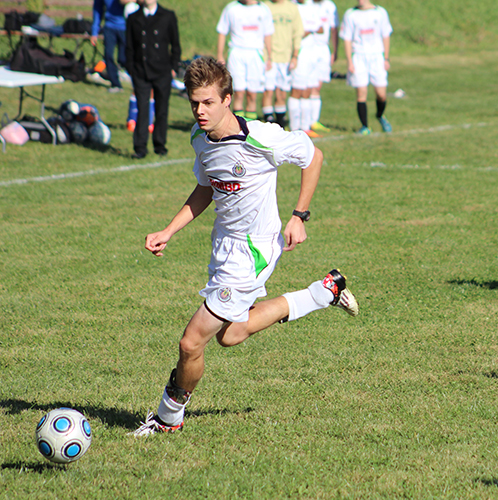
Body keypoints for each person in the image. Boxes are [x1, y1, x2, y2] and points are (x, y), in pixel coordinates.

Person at [132, 57, 358, 436]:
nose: (200, 111)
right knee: (231, 334)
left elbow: (313, 157)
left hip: (253, 251)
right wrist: (170, 230)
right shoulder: (199, 139)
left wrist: (299, 215)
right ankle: (323, 292)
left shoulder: (260, 138)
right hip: (223, 247)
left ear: (228, 100)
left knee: (191, 342)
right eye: (194, 103)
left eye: (207, 102)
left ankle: (168, 417)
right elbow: (207, 187)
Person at [125, 0, 181, 159]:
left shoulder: (167, 16)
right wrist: (131, 69)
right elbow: (129, 47)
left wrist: (173, 68)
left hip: (162, 71)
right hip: (141, 71)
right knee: (142, 109)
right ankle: (140, 147)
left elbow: (175, 44)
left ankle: (160, 144)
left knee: (162, 109)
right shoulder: (133, 18)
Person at [340, 0, 392, 135]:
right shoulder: (350, 14)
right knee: (361, 93)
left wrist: (386, 58)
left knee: (381, 94)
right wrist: (350, 61)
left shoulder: (380, 12)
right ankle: (365, 126)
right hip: (359, 56)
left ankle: (380, 115)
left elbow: (386, 35)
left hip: (376, 56)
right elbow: (347, 39)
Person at [216, 0, 274, 121]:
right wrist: (220, 55)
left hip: (255, 54)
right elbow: (222, 32)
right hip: (237, 53)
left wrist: (269, 56)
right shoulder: (231, 8)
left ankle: (250, 127)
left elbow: (267, 34)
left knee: (252, 94)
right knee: (238, 93)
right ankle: (237, 127)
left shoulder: (263, 9)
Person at [262, 0, 303, 128]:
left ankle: (280, 125)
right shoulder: (265, 7)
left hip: (285, 58)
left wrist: (295, 56)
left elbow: (298, 34)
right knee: (268, 91)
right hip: (268, 57)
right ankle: (268, 123)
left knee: (281, 93)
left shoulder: (292, 8)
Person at [287, 0, 326, 137]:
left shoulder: (313, 7)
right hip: (300, 53)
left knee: (308, 89)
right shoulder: (292, 7)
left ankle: (305, 126)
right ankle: (294, 127)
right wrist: (308, 30)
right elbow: (295, 33)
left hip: (312, 53)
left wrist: (310, 30)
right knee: (297, 89)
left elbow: (321, 29)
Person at [306, 0, 339, 133]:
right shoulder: (305, 4)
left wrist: (335, 51)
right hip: (308, 48)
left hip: (323, 49)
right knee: (306, 86)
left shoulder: (330, 6)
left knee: (318, 86)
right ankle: (304, 121)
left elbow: (334, 29)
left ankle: (314, 121)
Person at [91, 0, 136, 93]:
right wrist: (94, 32)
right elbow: (97, 9)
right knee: (108, 55)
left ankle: (136, 80)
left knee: (124, 58)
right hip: (109, 27)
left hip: (125, 27)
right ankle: (115, 84)